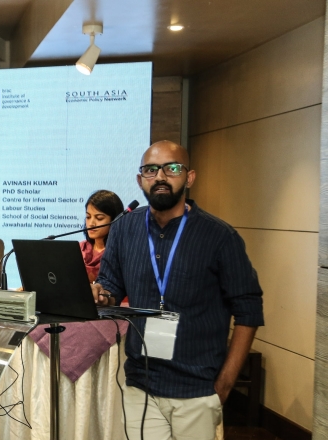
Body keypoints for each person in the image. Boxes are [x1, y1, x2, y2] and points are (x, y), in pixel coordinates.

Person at [92, 140, 264, 439]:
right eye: (150, 170)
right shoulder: (124, 229)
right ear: (139, 179)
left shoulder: (219, 237)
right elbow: (111, 286)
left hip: (197, 388)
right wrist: (100, 293)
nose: (160, 177)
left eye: (171, 168)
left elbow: (249, 311)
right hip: (140, 385)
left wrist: (224, 386)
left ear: (190, 177)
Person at [81, 189, 123, 282]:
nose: (91, 223)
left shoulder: (119, 253)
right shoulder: (80, 248)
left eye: (99, 218)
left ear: (114, 219)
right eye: (88, 217)